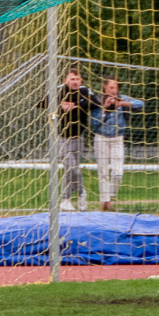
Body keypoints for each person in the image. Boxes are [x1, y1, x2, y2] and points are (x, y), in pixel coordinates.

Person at [90, 76, 143, 211]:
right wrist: (104, 108)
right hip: (101, 138)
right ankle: (106, 203)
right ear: (105, 87)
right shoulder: (97, 101)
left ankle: (111, 196)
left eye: (116, 88)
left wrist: (123, 104)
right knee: (103, 171)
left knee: (118, 172)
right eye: (111, 87)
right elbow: (93, 124)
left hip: (117, 138)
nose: (114, 90)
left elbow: (140, 104)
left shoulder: (121, 98)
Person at [55, 67, 98, 212]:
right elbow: (42, 103)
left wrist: (76, 105)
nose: (75, 81)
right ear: (65, 80)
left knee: (71, 170)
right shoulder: (59, 91)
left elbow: (96, 103)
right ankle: (81, 193)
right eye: (72, 79)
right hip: (63, 138)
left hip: (78, 138)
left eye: (77, 79)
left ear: (81, 80)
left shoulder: (84, 91)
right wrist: (60, 106)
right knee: (72, 168)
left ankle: (66, 200)